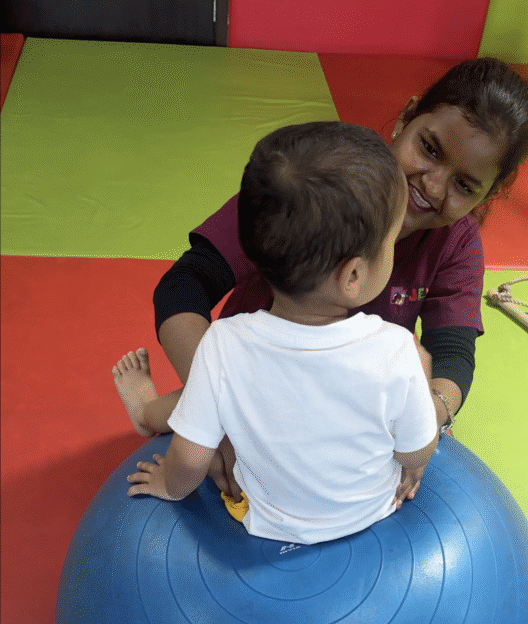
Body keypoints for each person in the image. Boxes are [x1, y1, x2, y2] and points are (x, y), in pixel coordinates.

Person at [118, 56, 528, 504]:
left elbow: (454, 354)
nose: (434, 187)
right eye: (430, 149)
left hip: (342, 402)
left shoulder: (456, 244)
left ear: (491, 193)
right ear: (405, 118)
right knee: (181, 410)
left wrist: (427, 417)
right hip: (253, 374)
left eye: (466, 185)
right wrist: (221, 404)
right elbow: (184, 284)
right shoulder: (318, 184)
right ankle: (155, 408)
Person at [117, 122, 439, 545]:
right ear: (354, 275)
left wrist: (169, 485)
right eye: (391, 242)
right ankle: (148, 412)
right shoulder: (397, 351)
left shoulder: (223, 344)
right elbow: (414, 454)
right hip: (370, 511)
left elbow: (191, 457)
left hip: (265, 515)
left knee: (210, 392)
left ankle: (146, 412)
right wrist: (421, 382)